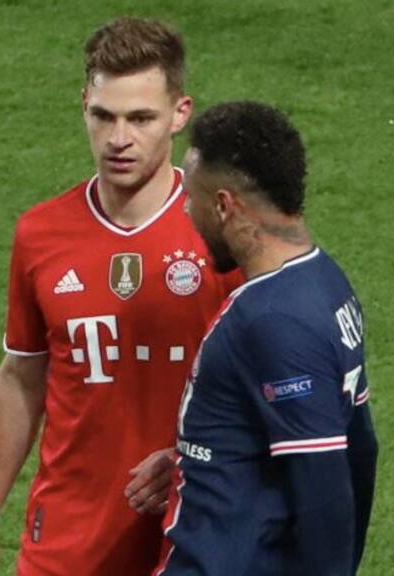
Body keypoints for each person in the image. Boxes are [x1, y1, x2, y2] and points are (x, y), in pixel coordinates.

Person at [0, 18, 241, 576]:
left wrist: (192, 457)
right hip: (68, 531)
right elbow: (22, 375)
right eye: (103, 116)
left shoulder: (223, 230)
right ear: (83, 103)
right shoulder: (41, 234)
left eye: (141, 119)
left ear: (180, 114)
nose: (118, 139)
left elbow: (267, 380)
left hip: (192, 522)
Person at [154, 101, 378, 575]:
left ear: (223, 205)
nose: (186, 209)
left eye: (191, 197)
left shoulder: (270, 318)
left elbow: (325, 491)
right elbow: (361, 449)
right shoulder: (325, 280)